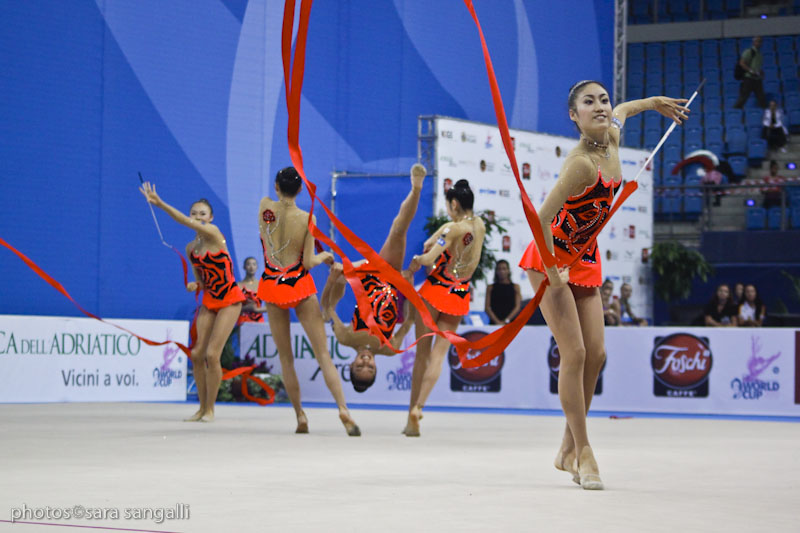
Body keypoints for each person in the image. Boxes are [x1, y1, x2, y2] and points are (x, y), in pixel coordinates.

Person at [519, 80, 689, 490]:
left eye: (603, 99)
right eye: (587, 103)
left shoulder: (611, 133)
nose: (601, 107)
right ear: (574, 117)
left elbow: (626, 109)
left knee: (596, 353)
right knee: (574, 352)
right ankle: (585, 450)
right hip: (552, 260)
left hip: (585, 257)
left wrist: (652, 102)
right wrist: (552, 266)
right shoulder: (579, 164)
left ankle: (565, 449)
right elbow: (539, 218)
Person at [258, 167, 360, 436]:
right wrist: (325, 256)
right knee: (323, 354)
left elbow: (271, 220)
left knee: (286, 358)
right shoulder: (307, 218)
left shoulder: (264, 207)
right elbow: (306, 262)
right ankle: (343, 410)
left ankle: (300, 416)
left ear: (276, 187)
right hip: (298, 285)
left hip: (271, 286)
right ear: (301, 190)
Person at [139, 184, 245, 422]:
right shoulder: (191, 248)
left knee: (212, 354)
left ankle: (210, 410)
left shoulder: (215, 233)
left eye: (202, 214)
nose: (198, 217)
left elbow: (185, 224)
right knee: (197, 354)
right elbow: (201, 280)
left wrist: (160, 203)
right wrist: (194, 285)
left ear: (211, 217)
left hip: (229, 298)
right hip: (210, 299)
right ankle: (201, 408)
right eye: (194, 213)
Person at [320, 164, 425, 393]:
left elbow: (328, 308)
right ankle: (416, 189)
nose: (365, 361)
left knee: (341, 277)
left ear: (352, 364)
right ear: (377, 367)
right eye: (370, 367)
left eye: (360, 366)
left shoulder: (346, 338)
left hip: (364, 275)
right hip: (389, 275)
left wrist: (332, 280)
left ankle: (345, 270)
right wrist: (408, 289)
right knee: (399, 229)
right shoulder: (390, 348)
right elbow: (408, 321)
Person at [405, 179, 486, 437]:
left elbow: (429, 256)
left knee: (422, 354)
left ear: (454, 203)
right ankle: (419, 406)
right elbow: (442, 235)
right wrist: (438, 236)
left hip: (435, 290)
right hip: (459, 294)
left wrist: (418, 260)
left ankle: (410, 418)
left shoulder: (452, 229)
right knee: (439, 356)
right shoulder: (480, 226)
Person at [485, 259, 522, 325]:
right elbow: (487, 308)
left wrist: (506, 321)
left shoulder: (515, 287)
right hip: (494, 323)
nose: (502, 271)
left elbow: (517, 307)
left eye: (504, 269)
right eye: (499, 269)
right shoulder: (490, 287)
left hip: (510, 323)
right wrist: (497, 322)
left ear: (508, 271)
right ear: (496, 271)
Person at [734, 36, 767, 109]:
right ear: (754, 42)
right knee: (743, 97)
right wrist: (751, 71)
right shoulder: (748, 52)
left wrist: (761, 73)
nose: (759, 43)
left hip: (757, 79)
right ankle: (736, 111)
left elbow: (757, 66)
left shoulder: (760, 54)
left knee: (761, 98)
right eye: (757, 41)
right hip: (748, 78)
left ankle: (767, 115)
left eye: (760, 41)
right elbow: (742, 63)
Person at [237, 257, 266, 325]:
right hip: (243, 321)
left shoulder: (262, 285)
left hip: (258, 321)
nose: (251, 267)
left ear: (257, 267)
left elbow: (271, 306)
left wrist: (257, 310)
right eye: (248, 264)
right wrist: (245, 308)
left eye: (254, 264)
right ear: (244, 267)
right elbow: (232, 308)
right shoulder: (238, 286)